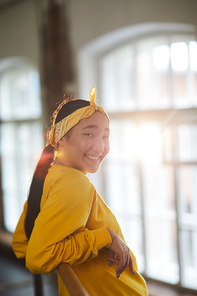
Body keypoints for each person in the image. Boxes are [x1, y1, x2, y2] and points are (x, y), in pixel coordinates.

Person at [12, 87, 148, 296]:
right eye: (89, 134)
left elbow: (22, 242)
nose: (100, 147)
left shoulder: (51, 174)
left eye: (105, 136)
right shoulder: (74, 183)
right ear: (60, 138)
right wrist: (106, 238)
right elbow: (37, 256)